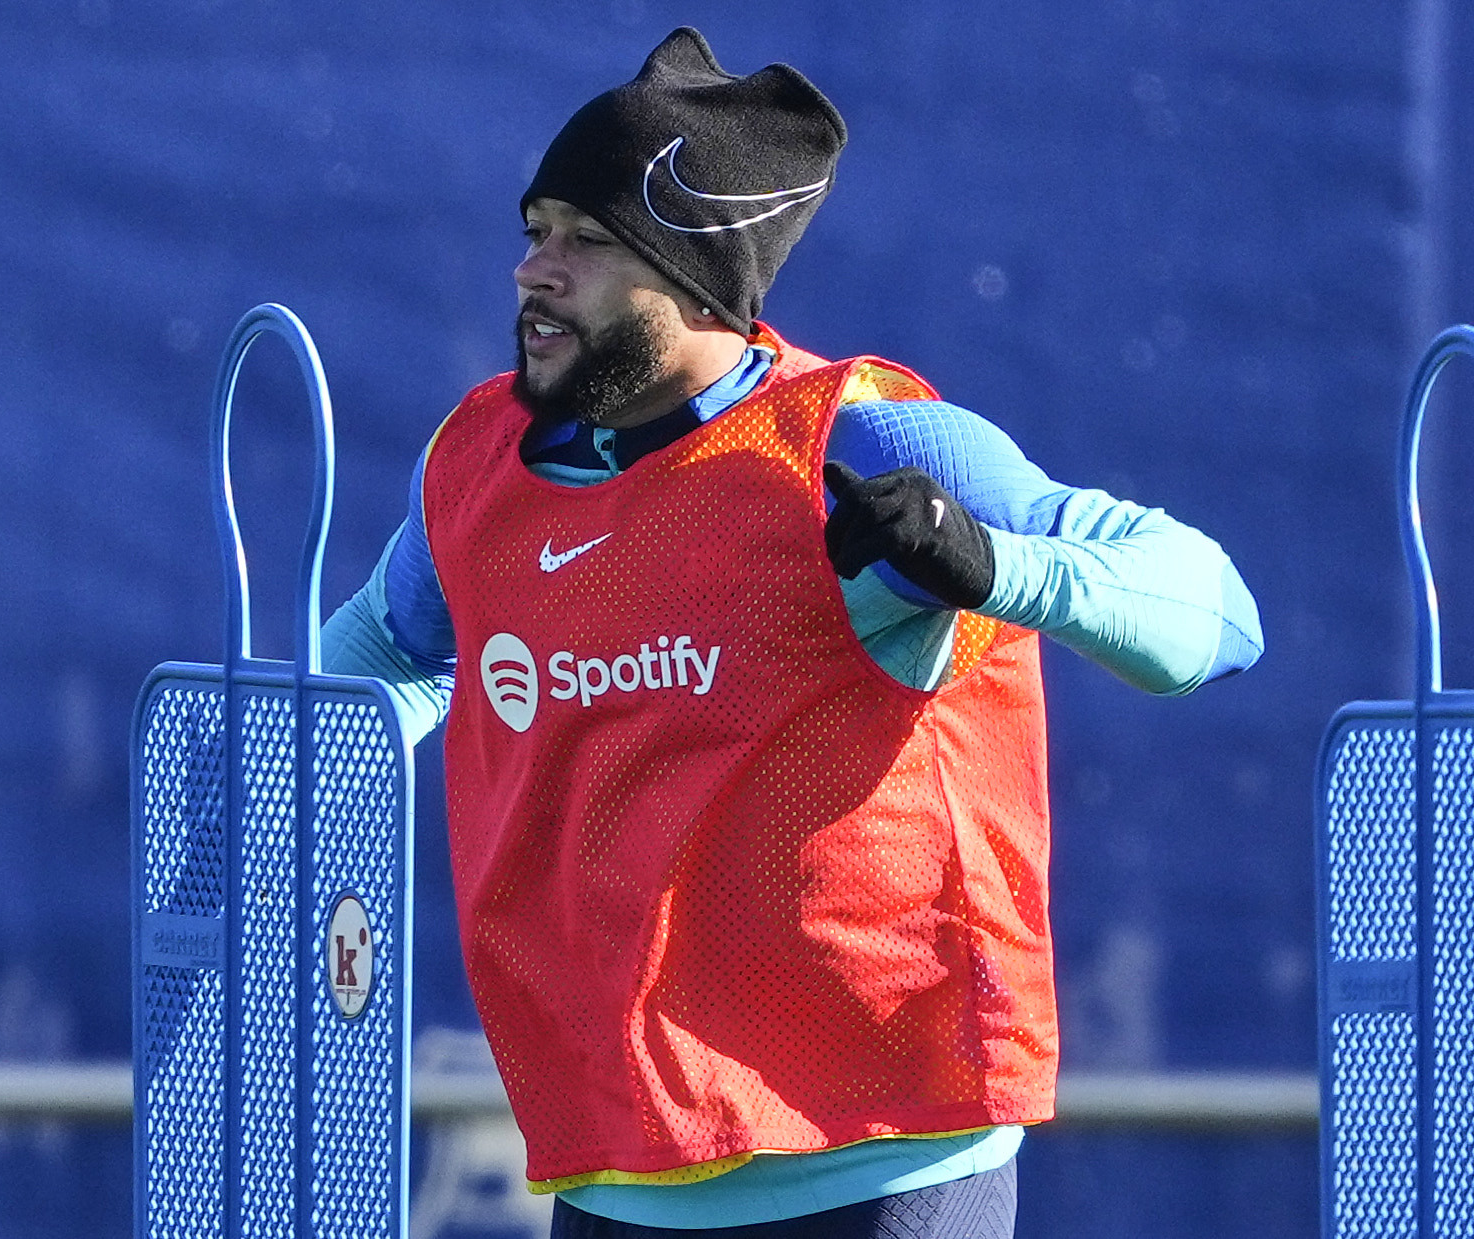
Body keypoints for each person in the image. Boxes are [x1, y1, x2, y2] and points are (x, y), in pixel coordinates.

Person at [322, 27, 1262, 1238]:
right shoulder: (477, 464)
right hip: (617, 1175)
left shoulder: (863, 440)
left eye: (588, 241)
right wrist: (273, 780)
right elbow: (379, 671)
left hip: (883, 1170)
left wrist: (993, 569)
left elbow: (1215, 612)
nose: (533, 271)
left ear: (700, 280)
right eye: (534, 228)